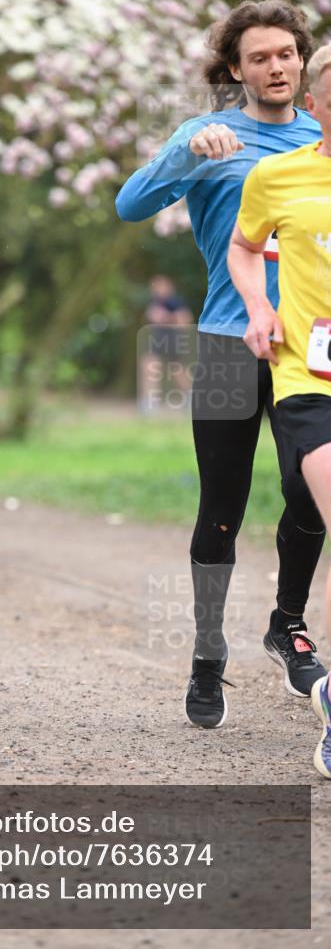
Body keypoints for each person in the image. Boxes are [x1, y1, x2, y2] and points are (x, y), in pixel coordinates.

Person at [115, 0, 327, 728]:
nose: (274, 66)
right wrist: (181, 155)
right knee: (222, 509)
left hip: (310, 349)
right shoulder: (208, 135)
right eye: (258, 57)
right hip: (225, 341)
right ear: (234, 69)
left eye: (285, 54)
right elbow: (129, 204)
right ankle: (207, 656)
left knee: (311, 497)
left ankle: (286, 623)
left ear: (302, 62)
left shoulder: (321, 136)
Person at [228, 43, 331, 777]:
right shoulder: (279, 173)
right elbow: (242, 246)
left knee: (304, 503)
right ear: (317, 101)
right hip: (308, 375)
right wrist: (258, 305)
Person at [139, 274, 193, 413]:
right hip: (157, 340)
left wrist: (165, 317)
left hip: (172, 340)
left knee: (177, 371)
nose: (156, 289)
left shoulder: (175, 301)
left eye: (159, 285)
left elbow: (185, 320)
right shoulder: (155, 302)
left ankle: (192, 397)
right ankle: (149, 402)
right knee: (149, 366)